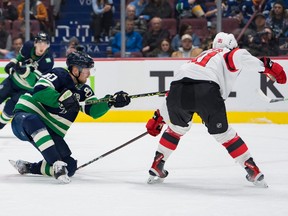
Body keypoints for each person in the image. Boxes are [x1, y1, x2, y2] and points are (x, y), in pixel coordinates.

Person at [145, 32, 287, 187]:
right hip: (207, 90)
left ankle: (157, 164)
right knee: (225, 135)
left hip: (178, 89)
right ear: (232, 45)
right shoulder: (228, 54)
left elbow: (174, 91)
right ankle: (251, 168)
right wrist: (266, 66)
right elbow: (239, 56)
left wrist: (159, 116)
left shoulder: (199, 58)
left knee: (175, 129)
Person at [9, 50, 131, 183]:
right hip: (24, 120)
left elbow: (94, 110)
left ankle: (28, 167)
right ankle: (57, 165)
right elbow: (40, 90)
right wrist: (60, 99)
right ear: (75, 69)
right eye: (86, 69)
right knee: (33, 120)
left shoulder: (84, 91)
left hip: (50, 131)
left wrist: (110, 101)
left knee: (70, 167)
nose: (89, 73)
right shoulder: (59, 74)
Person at [0, 32, 54, 131]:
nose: (42, 46)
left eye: (45, 43)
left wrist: (25, 73)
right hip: (12, 81)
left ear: (48, 45)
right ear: (35, 43)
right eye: (40, 43)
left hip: (26, 90)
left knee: (9, 109)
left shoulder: (48, 60)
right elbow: (19, 58)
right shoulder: (28, 46)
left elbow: (36, 81)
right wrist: (12, 63)